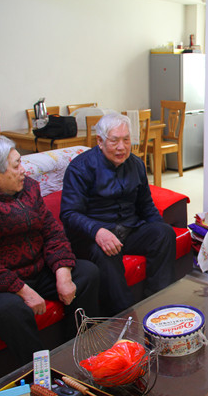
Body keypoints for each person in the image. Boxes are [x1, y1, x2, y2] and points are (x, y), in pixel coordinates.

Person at [0, 136, 99, 364]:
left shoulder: (28, 187)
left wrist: (63, 273)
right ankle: (41, 372)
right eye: (16, 165)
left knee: (87, 273)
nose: (23, 170)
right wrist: (23, 291)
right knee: (11, 310)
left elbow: (52, 231)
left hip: (36, 269)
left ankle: (76, 350)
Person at [60, 113, 175, 316]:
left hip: (129, 230)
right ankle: (124, 317)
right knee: (106, 252)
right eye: (114, 140)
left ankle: (158, 305)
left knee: (164, 233)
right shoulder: (80, 168)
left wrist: (158, 226)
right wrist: (97, 231)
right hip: (95, 237)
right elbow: (69, 213)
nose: (122, 147)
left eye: (126, 140)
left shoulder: (136, 164)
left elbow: (146, 206)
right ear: (100, 141)